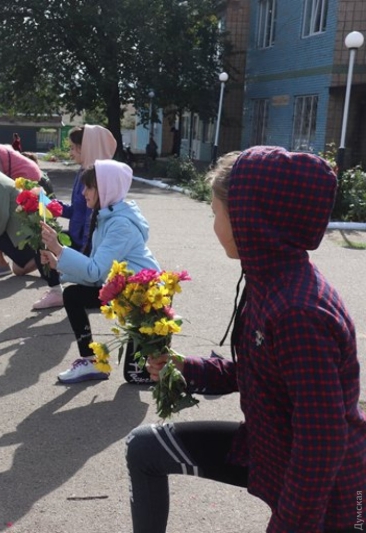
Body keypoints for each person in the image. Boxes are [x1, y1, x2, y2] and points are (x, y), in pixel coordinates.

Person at [125, 147, 366, 533]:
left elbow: (321, 445)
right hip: (272, 450)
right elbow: (260, 369)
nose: (214, 224)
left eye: (216, 213)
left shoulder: (298, 312)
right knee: (144, 448)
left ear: (249, 220)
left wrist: (287, 525)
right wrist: (188, 368)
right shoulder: (269, 280)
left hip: (335, 500)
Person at [40, 159, 160, 384]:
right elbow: (96, 270)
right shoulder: (106, 217)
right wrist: (59, 264)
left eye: (90, 187)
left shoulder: (120, 225)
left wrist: (58, 248)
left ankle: (172, 363)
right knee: (73, 295)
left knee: (138, 375)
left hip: (146, 300)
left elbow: (94, 272)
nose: (84, 192)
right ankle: (91, 362)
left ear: (107, 189)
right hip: (125, 293)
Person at [34, 125, 117, 310]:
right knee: (40, 240)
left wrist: (75, 254)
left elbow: (94, 223)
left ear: (86, 146)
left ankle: (70, 291)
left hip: (90, 246)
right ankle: (57, 291)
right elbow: (76, 212)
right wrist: (46, 203)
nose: (70, 152)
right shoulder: (83, 173)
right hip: (79, 238)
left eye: (72, 147)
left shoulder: (100, 179)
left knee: (45, 244)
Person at [0, 148, 61, 294]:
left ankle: (52, 254)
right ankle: (46, 254)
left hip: (22, 234)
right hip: (22, 230)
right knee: (18, 270)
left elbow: (0, 214)